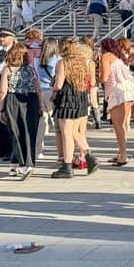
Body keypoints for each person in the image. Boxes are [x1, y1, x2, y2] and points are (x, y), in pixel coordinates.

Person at [50, 38, 99, 179]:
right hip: (80, 97)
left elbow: (59, 84)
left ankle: (67, 166)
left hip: (66, 98)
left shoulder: (63, 63)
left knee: (66, 133)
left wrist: (53, 91)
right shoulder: (84, 63)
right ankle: (89, 157)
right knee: (75, 132)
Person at [0, 42, 44, 179]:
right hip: (31, 100)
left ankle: (23, 165)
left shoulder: (8, 69)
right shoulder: (30, 68)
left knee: (16, 133)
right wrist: (41, 106)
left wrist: (0, 110)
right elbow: (39, 89)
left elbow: (2, 91)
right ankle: (20, 165)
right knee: (30, 132)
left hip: (13, 100)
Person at [100, 38, 134, 166]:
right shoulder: (119, 58)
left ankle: (123, 155)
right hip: (128, 89)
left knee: (118, 125)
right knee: (122, 124)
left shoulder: (106, 56)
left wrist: (95, 77)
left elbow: (104, 77)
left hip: (118, 91)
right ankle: (121, 153)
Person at [36, 36, 60, 162]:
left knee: (41, 121)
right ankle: (61, 151)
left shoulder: (38, 60)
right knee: (57, 122)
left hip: (40, 90)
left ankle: (38, 150)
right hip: (52, 90)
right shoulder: (56, 59)